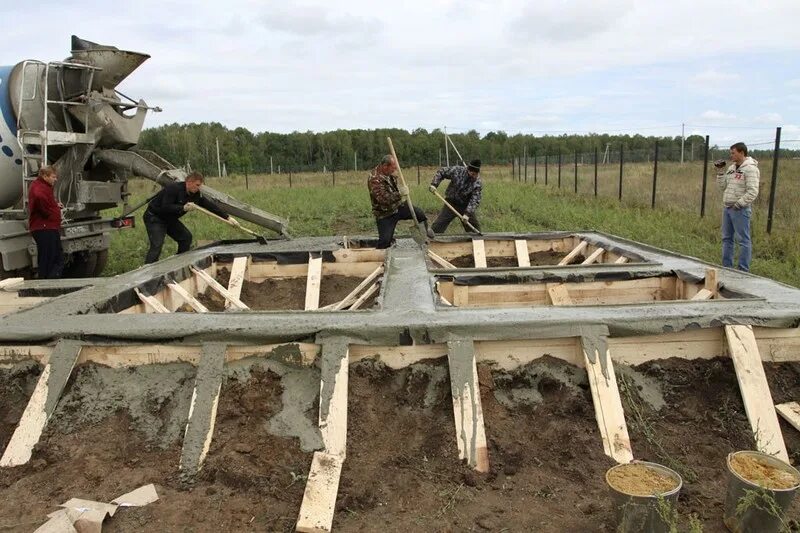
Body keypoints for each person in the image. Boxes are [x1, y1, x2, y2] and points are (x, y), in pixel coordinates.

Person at [143, 172, 232, 263]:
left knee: (186, 238)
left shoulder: (196, 194)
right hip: (155, 217)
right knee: (157, 245)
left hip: (169, 219)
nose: (198, 188)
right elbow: (165, 207)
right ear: (189, 182)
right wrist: (183, 207)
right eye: (197, 185)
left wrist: (227, 217)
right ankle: (147, 272)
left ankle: (179, 263)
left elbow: (209, 206)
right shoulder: (173, 189)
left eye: (200, 186)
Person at [367, 155, 433, 248]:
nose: (394, 170)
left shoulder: (389, 173)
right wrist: (400, 194)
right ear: (385, 166)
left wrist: (395, 178)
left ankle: (425, 230)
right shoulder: (374, 178)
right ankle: (380, 257)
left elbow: (392, 186)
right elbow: (383, 199)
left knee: (419, 213)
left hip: (398, 206)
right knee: (385, 242)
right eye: (392, 168)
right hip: (385, 214)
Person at [715, 142, 760, 272]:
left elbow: (753, 191)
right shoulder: (731, 168)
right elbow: (723, 187)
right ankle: (727, 267)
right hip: (727, 208)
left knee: (743, 240)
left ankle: (742, 269)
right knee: (727, 238)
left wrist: (739, 204)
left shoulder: (750, 169)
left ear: (741, 152)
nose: (731, 155)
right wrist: (720, 172)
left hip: (740, 209)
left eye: (733, 153)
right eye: (730, 153)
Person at [28, 166, 64, 278]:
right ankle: (47, 283)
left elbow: (45, 200)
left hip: (48, 227)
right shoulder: (39, 187)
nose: (55, 179)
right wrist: (49, 213)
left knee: (54, 256)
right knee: (49, 259)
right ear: (45, 176)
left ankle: (49, 281)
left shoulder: (44, 186)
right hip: (44, 228)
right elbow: (39, 198)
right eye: (53, 177)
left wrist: (54, 205)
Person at [428, 159, 483, 234]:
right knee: (438, 226)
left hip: (465, 206)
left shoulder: (477, 183)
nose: (474, 176)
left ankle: (476, 243)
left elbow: (475, 199)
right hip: (451, 203)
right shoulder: (457, 171)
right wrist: (434, 184)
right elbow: (441, 172)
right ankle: (431, 241)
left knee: (475, 230)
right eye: (472, 174)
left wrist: (467, 214)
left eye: (476, 174)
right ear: (468, 170)